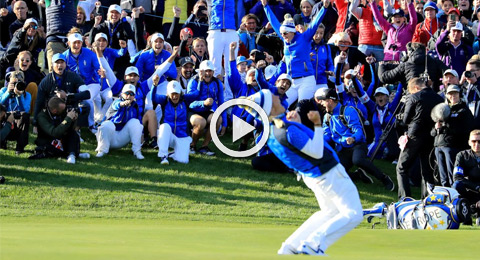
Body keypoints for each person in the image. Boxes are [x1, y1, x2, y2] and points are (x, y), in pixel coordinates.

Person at [244, 89, 363, 255]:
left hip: (315, 175)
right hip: (327, 173)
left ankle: (291, 246)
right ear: (270, 107)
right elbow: (316, 151)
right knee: (354, 213)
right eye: (273, 98)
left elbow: (301, 149)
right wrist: (317, 123)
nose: (277, 97)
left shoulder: (273, 132)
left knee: (329, 212)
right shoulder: (285, 129)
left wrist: (299, 124)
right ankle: (314, 244)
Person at [318, 88, 395, 191]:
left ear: (330, 101)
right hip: (343, 149)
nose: (321, 103)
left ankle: (384, 178)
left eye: (323, 101)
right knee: (335, 173)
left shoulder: (348, 111)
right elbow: (327, 135)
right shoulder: (327, 117)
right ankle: (357, 175)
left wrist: (353, 138)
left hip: (357, 145)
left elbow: (359, 131)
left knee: (358, 160)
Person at [261, 0, 326, 106]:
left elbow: (315, 23)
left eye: (285, 33)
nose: (283, 35)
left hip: (306, 80)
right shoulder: (285, 38)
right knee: (280, 106)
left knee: (302, 108)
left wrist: (324, 8)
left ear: (292, 32)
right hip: (291, 81)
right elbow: (274, 22)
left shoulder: (304, 37)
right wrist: (265, 6)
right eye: (281, 34)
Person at [396, 77, 444, 198]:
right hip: (431, 136)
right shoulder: (439, 98)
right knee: (427, 170)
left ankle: (404, 198)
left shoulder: (414, 97)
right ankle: (427, 199)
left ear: (416, 88)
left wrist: (401, 117)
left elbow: (406, 119)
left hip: (415, 135)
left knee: (401, 168)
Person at [432, 84, 474, 187]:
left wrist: (447, 124)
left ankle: (455, 197)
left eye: (455, 93)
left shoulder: (464, 110)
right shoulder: (442, 109)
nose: (453, 96)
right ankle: (444, 197)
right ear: (447, 95)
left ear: (459, 94)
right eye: (450, 94)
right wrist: (436, 128)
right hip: (438, 145)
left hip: (453, 146)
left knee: (452, 175)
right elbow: (432, 132)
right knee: (442, 176)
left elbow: (465, 129)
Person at [34, 53, 91, 129]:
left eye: (62, 62)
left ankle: (76, 130)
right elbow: (39, 102)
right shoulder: (46, 81)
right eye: (57, 62)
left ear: (65, 64)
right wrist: (35, 124)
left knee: (85, 105)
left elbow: (87, 94)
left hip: (70, 106)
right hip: (53, 108)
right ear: (52, 65)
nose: (59, 65)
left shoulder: (73, 76)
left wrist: (68, 96)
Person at [30, 96, 89, 164]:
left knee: (73, 133)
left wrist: (73, 120)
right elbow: (54, 132)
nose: (65, 110)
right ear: (55, 111)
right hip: (48, 141)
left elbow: (68, 128)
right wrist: (67, 119)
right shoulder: (42, 116)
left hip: (61, 138)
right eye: (63, 109)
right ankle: (71, 154)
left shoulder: (61, 112)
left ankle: (72, 154)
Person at [186, 60, 227, 155]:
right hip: (193, 111)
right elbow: (189, 102)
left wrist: (224, 123)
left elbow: (221, 102)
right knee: (201, 122)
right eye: (205, 71)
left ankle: (204, 146)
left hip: (208, 111)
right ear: (201, 71)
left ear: (213, 72)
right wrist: (203, 103)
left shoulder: (217, 83)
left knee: (217, 119)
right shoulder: (194, 81)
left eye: (210, 71)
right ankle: (192, 145)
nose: (208, 74)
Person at [63, 31, 101, 130]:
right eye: (74, 42)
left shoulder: (89, 53)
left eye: (79, 42)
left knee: (87, 98)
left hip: (91, 83)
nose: (77, 45)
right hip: (75, 86)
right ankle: (75, 127)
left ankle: (91, 125)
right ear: (69, 43)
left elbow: (98, 68)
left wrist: (101, 72)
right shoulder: (64, 56)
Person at [95, 84, 144, 160]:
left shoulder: (135, 107)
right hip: (109, 136)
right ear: (122, 94)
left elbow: (139, 123)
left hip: (122, 137)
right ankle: (102, 150)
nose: (129, 96)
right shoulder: (116, 102)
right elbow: (116, 105)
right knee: (107, 124)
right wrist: (122, 104)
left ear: (134, 96)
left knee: (136, 123)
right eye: (127, 93)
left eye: (131, 94)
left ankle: (137, 151)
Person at [153, 81, 192, 164]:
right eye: (172, 93)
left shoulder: (185, 100)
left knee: (183, 161)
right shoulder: (164, 100)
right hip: (168, 135)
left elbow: (197, 94)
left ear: (180, 93)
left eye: (176, 93)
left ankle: (173, 153)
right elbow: (153, 98)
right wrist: (154, 85)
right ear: (168, 93)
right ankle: (163, 156)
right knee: (164, 126)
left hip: (182, 136)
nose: (174, 96)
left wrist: (201, 80)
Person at [453, 129, 480, 223]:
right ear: (469, 142)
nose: (477, 144)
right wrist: (477, 187)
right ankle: (464, 215)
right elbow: (457, 177)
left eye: (479, 141)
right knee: (457, 185)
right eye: (474, 141)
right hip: (469, 190)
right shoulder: (461, 155)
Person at [0, 70, 30, 154]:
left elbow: (25, 110)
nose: (16, 85)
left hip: (18, 120)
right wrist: (8, 93)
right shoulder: (3, 90)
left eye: (19, 83)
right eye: (14, 83)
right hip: (4, 119)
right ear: (9, 82)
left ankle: (20, 147)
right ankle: (2, 142)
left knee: (25, 115)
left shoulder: (27, 95)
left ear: (23, 82)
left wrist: (19, 96)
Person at [310, 23, 333, 90]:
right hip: (308, 81)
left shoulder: (326, 47)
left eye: (321, 33)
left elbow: (330, 63)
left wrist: (331, 71)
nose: (318, 36)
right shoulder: (306, 45)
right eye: (316, 33)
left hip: (322, 81)